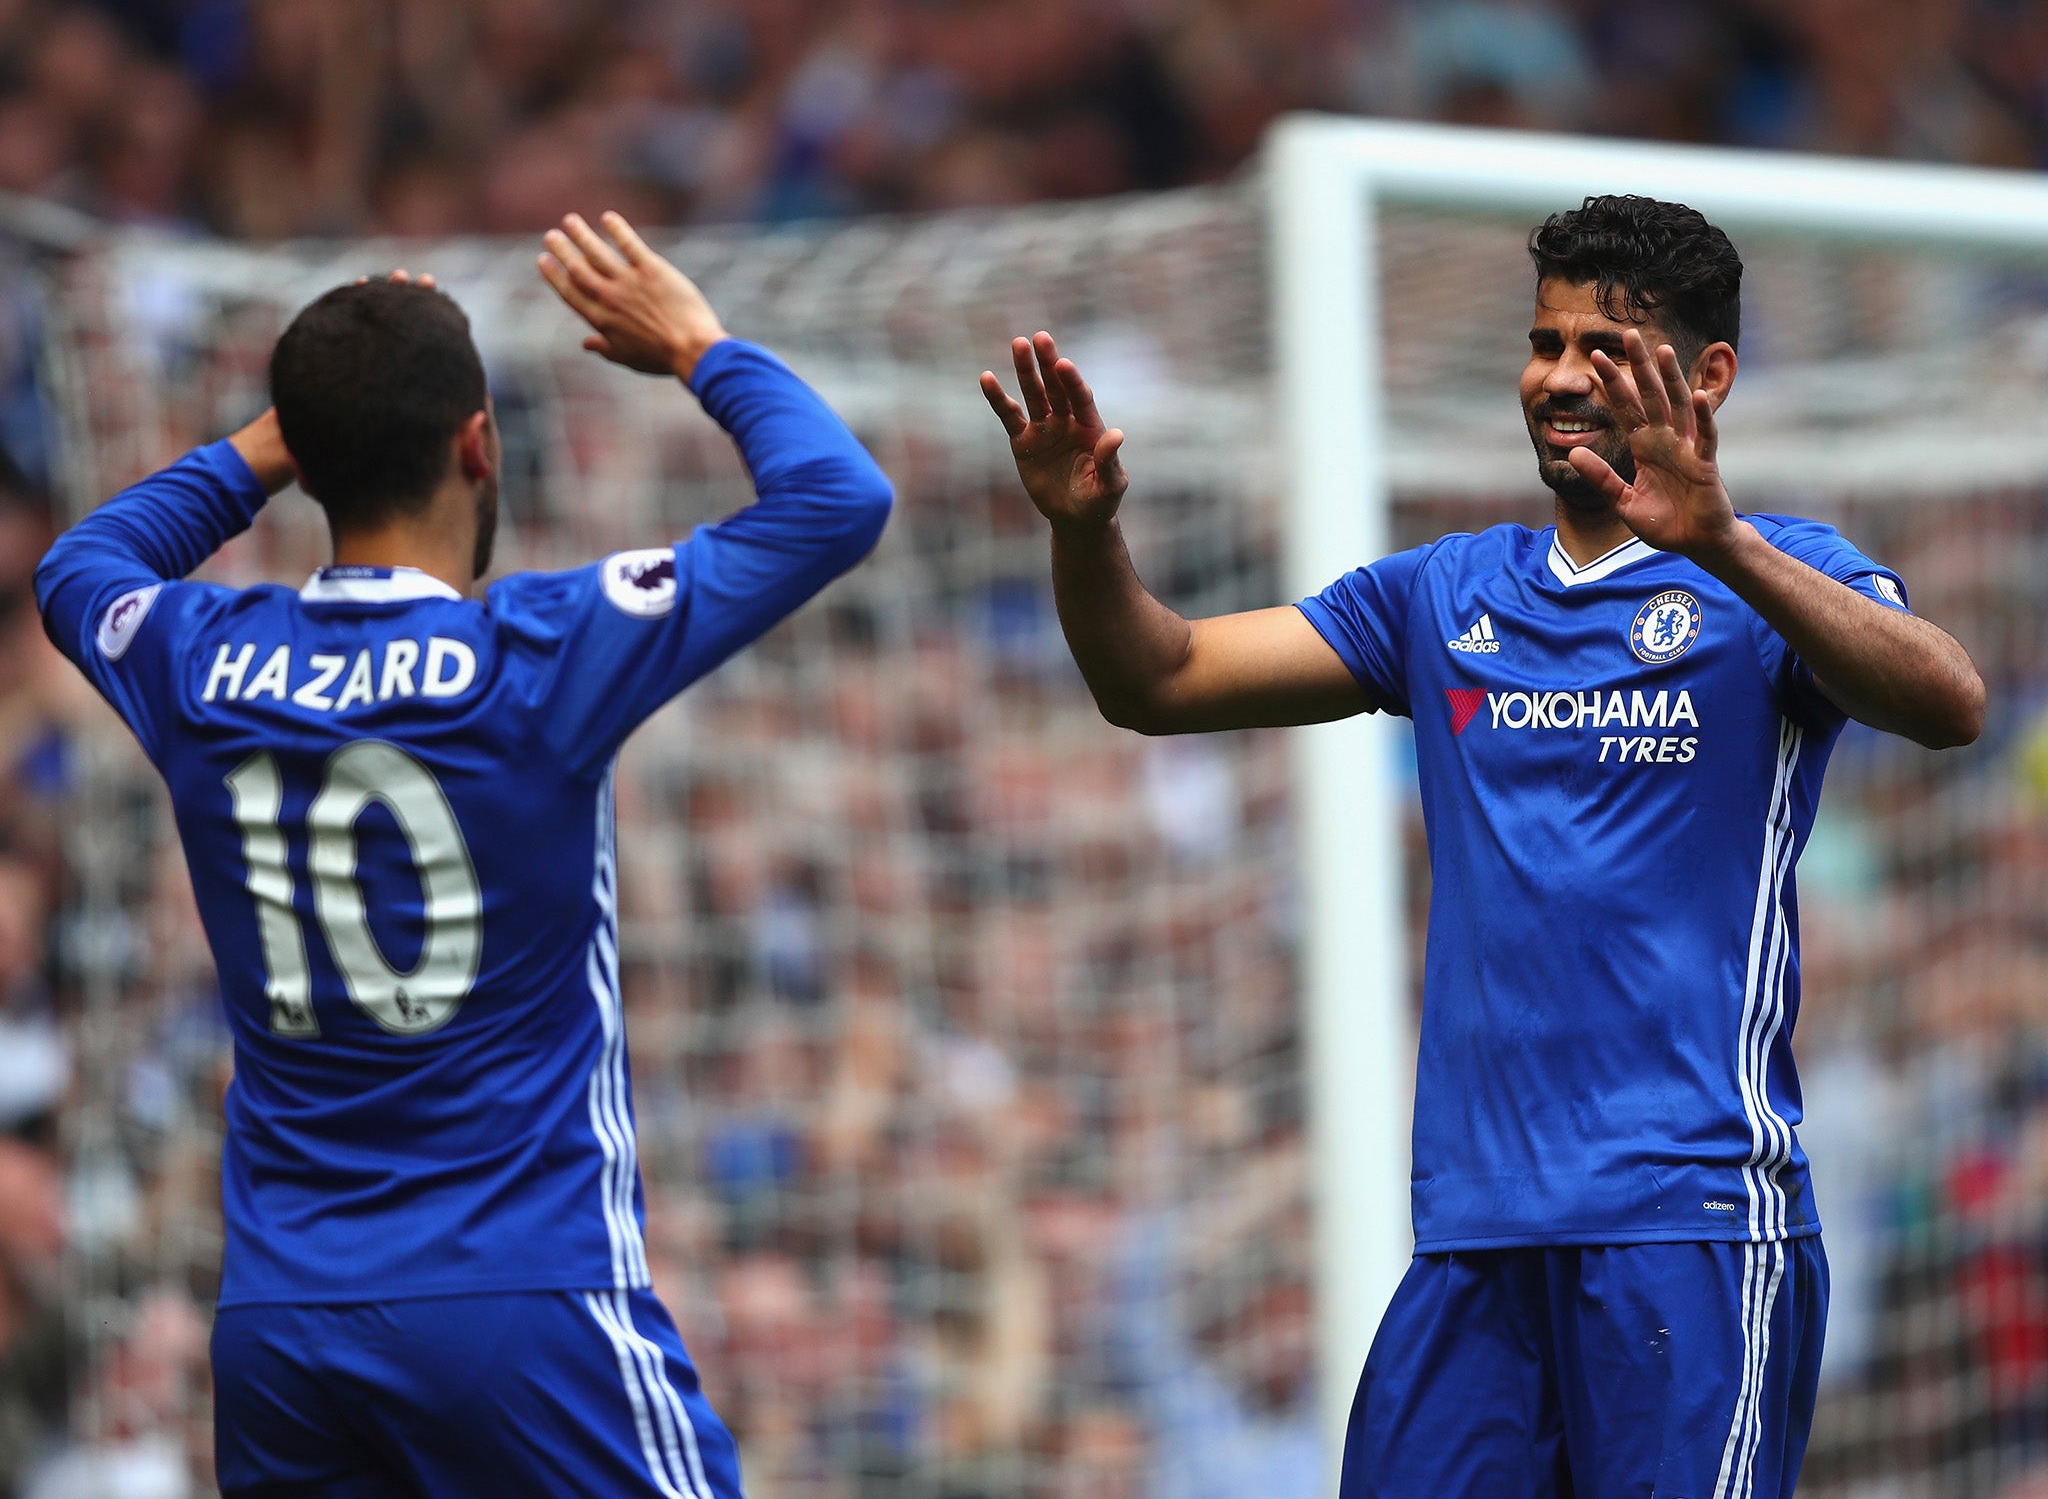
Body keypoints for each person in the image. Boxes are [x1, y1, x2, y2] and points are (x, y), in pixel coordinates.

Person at [980, 194, 1985, 1499]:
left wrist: (1722, 541)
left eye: (1602, 349)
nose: (1559, 378)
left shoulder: (1776, 576)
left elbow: (1950, 701)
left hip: (1689, 1226)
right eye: (1544, 342)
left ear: (1709, 376)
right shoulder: (1442, 595)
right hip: (1474, 1235)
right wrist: (1084, 531)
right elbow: (1158, 680)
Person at [36, 211, 893, 1497]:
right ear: (478, 445)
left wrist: (282, 435)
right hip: (522, 1301)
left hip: (280, 1326)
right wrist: (698, 345)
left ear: (312, 463)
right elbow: (838, 497)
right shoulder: (539, 654)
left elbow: (79, 563)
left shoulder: (200, 660)